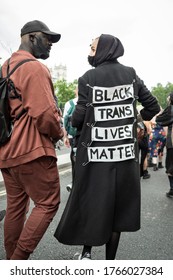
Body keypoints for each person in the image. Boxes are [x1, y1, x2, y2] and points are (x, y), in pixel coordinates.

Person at [54, 34, 160, 260]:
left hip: (94, 155)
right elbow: (152, 106)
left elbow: (78, 119)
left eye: (92, 48)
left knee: (92, 201)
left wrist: (79, 119)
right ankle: (109, 263)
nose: (90, 52)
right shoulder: (131, 75)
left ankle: (86, 253)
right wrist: (135, 119)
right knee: (118, 208)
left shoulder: (87, 78)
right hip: (124, 155)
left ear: (103, 50)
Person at [0, 20, 64, 260]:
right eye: (47, 38)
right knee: (48, 203)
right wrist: (59, 133)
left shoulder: (6, 67)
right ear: (30, 37)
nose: (50, 44)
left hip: (7, 153)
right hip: (32, 149)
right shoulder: (34, 68)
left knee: (16, 208)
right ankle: (17, 263)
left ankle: (10, 263)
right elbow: (45, 114)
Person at [156, 92, 173, 198]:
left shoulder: (170, 109)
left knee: (170, 166)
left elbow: (159, 120)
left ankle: (172, 188)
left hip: (172, 142)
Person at [63, 87, 78, 192]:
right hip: (85, 137)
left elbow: (64, 121)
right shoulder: (89, 102)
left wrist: (65, 137)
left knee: (75, 161)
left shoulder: (69, 104)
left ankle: (75, 184)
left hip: (73, 138)